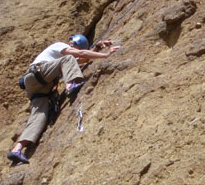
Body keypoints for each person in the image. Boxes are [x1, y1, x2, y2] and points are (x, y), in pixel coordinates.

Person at [7, 35, 120, 164]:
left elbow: (82, 59)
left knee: (39, 117)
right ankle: (70, 85)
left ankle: (18, 149)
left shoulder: (62, 58)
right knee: (68, 58)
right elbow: (78, 54)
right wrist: (106, 55)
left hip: (37, 86)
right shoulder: (60, 46)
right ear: (72, 43)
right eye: (77, 47)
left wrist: (98, 47)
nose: (76, 50)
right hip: (39, 73)